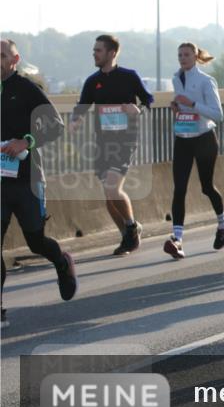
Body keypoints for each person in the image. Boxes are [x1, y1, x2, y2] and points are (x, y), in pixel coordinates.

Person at [1, 39, 77, 326]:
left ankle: (61, 262)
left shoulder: (27, 89)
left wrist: (26, 141)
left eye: (2, 55)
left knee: (35, 241)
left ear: (14, 59)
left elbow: (56, 126)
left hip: (27, 179)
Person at [69, 34, 154, 255]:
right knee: (109, 197)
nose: (94, 54)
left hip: (125, 141)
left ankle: (132, 227)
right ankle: (127, 235)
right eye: (94, 50)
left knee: (112, 188)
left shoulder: (129, 76)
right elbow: (82, 106)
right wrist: (75, 121)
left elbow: (148, 99)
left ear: (112, 53)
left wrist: (139, 109)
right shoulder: (92, 81)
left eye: (98, 50)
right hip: (103, 143)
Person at [163, 43, 224, 259]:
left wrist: (192, 103)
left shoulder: (205, 80)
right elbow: (182, 104)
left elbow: (217, 115)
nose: (182, 58)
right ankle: (177, 239)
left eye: (186, 55)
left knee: (206, 187)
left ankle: (223, 224)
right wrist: (177, 107)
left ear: (195, 56)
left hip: (204, 138)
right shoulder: (176, 78)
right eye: (179, 55)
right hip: (183, 137)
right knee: (179, 188)